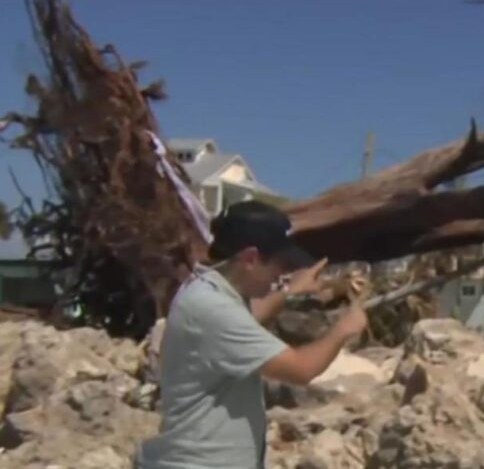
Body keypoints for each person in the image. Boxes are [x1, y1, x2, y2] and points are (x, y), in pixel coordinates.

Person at [134, 199, 368, 469]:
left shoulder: (209, 290)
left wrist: (290, 291)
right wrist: (344, 328)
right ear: (250, 259)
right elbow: (301, 369)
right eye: (281, 265)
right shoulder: (213, 308)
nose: (284, 273)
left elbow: (246, 319)